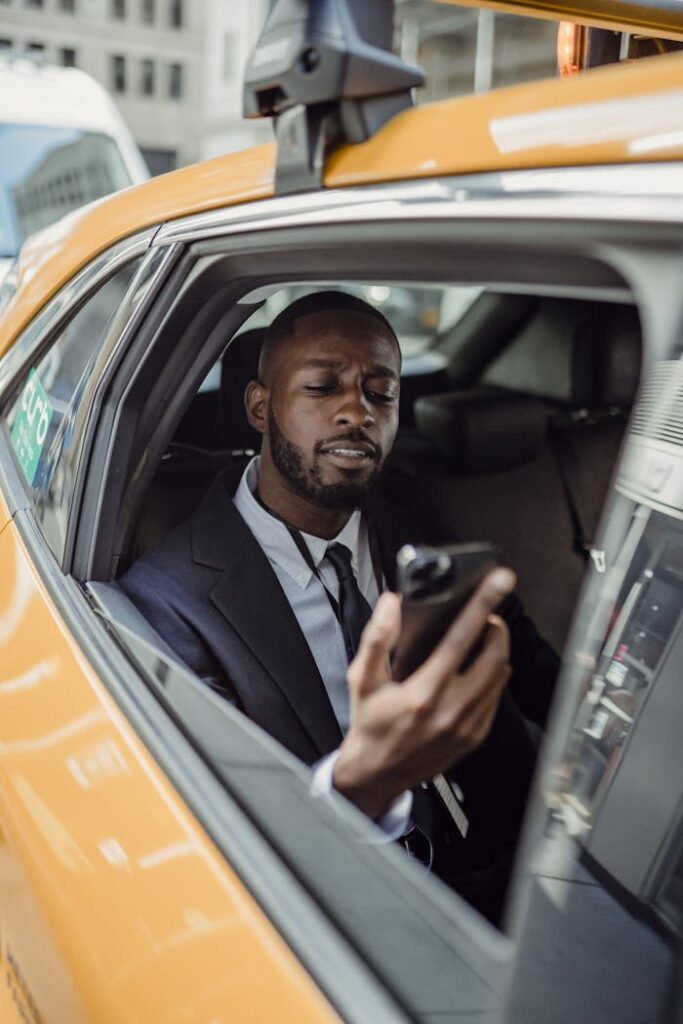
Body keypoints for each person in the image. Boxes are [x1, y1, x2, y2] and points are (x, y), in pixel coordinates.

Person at [121, 291, 559, 924]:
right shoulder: (169, 604)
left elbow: (537, 671)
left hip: (515, 881)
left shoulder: (409, 520)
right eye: (323, 387)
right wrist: (365, 786)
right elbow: (221, 858)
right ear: (259, 407)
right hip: (345, 923)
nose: (357, 411)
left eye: (381, 394)